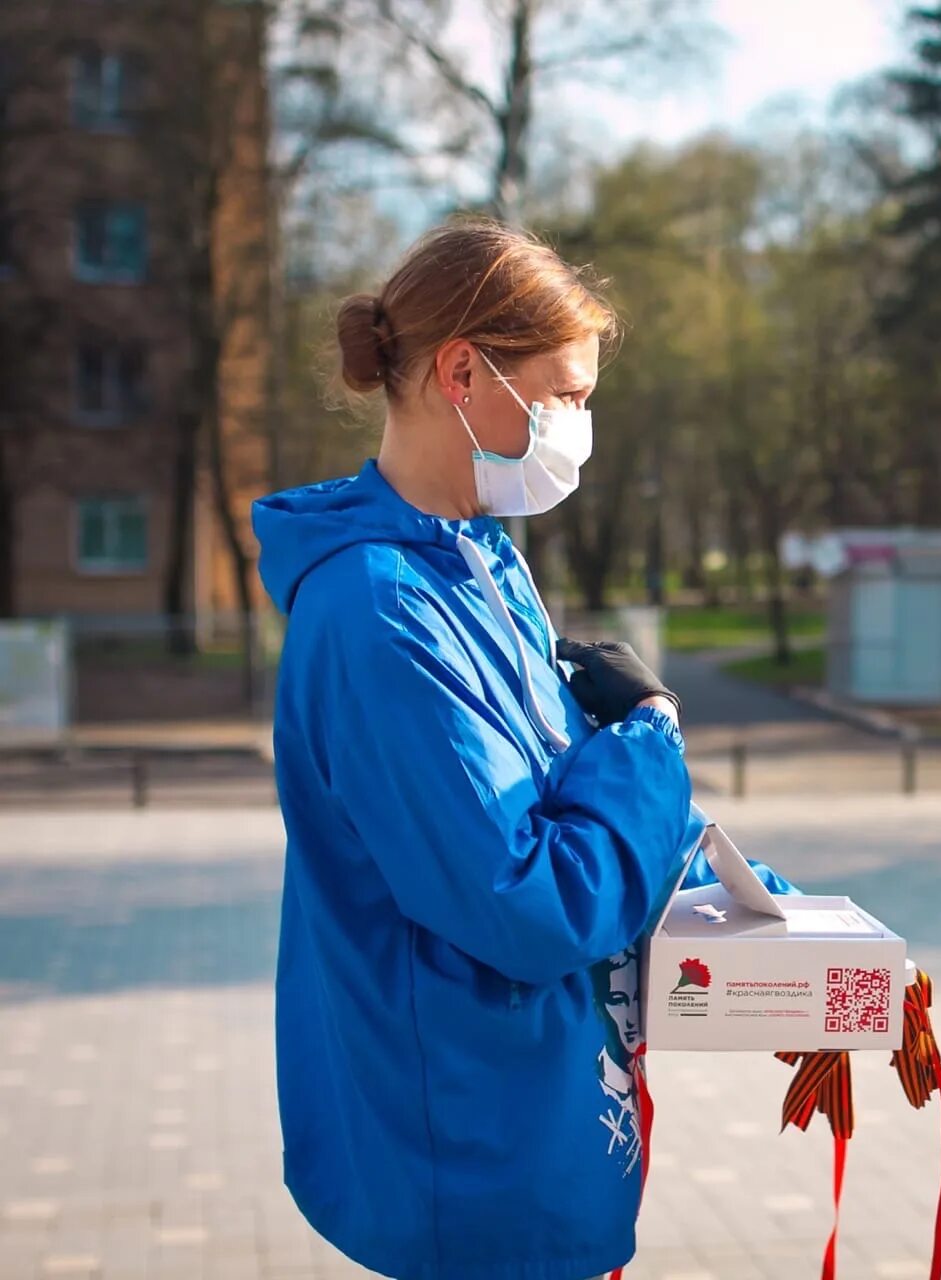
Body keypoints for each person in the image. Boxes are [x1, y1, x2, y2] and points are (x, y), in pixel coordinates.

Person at [254, 219, 790, 1280]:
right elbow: (527, 902)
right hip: (466, 1146)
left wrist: (779, 923)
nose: (580, 427)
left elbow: (563, 803)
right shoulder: (377, 613)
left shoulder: (476, 559)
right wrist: (647, 738)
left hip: (536, 1112)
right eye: (568, 396)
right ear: (462, 371)